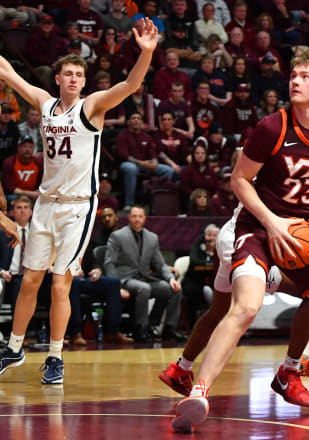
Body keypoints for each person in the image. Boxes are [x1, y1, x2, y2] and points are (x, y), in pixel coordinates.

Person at [172, 48, 309, 432]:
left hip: (307, 232)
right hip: (259, 228)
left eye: (305, 76)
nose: (294, 81)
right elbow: (239, 180)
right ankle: (199, 392)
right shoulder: (272, 127)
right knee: (244, 308)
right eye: (293, 75)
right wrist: (272, 222)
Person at [0, 18, 159, 384]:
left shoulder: (92, 108)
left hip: (77, 207)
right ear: (57, 79)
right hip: (45, 205)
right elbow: (9, 74)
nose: (73, 78)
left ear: (84, 81)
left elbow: (131, 84)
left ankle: (55, 357)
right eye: (67, 73)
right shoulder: (43, 103)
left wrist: (146, 52)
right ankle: (15, 347)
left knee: (60, 283)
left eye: (78, 74)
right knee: (29, 281)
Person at [104, 205, 183, 342]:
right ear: (129, 218)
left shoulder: (152, 237)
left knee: (172, 289)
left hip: (144, 277)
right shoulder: (117, 235)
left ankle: (167, 328)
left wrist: (170, 279)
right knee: (144, 288)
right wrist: (116, 286)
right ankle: (141, 328)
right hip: (125, 279)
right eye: (134, 216)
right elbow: (109, 263)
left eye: (140, 216)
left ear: (145, 219)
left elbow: (160, 263)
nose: (137, 219)